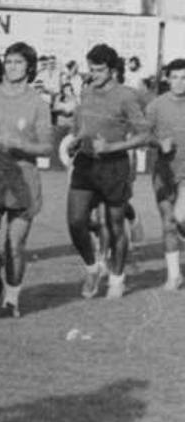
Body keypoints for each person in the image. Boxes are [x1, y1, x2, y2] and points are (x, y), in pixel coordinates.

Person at [0, 42, 54, 317]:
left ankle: (12, 300)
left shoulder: (38, 104)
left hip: (23, 182)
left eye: (17, 62)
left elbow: (47, 147)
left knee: (15, 245)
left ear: (29, 67)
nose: (11, 66)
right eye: (9, 61)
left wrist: (20, 144)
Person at [63, 43, 150, 299]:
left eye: (99, 70)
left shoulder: (127, 95)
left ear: (112, 70)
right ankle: (92, 267)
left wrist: (113, 146)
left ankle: (117, 278)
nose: (94, 74)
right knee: (76, 221)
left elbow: (144, 134)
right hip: (85, 163)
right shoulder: (87, 91)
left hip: (114, 166)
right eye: (91, 69)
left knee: (114, 225)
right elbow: (80, 126)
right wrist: (75, 140)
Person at [143, 58, 185, 290]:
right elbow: (143, 136)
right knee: (168, 223)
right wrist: (159, 143)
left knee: (180, 217)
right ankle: (174, 275)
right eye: (175, 77)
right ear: (167, 79)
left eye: (184, 78)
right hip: (164, 172)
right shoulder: (156, 106)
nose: (180, 83)